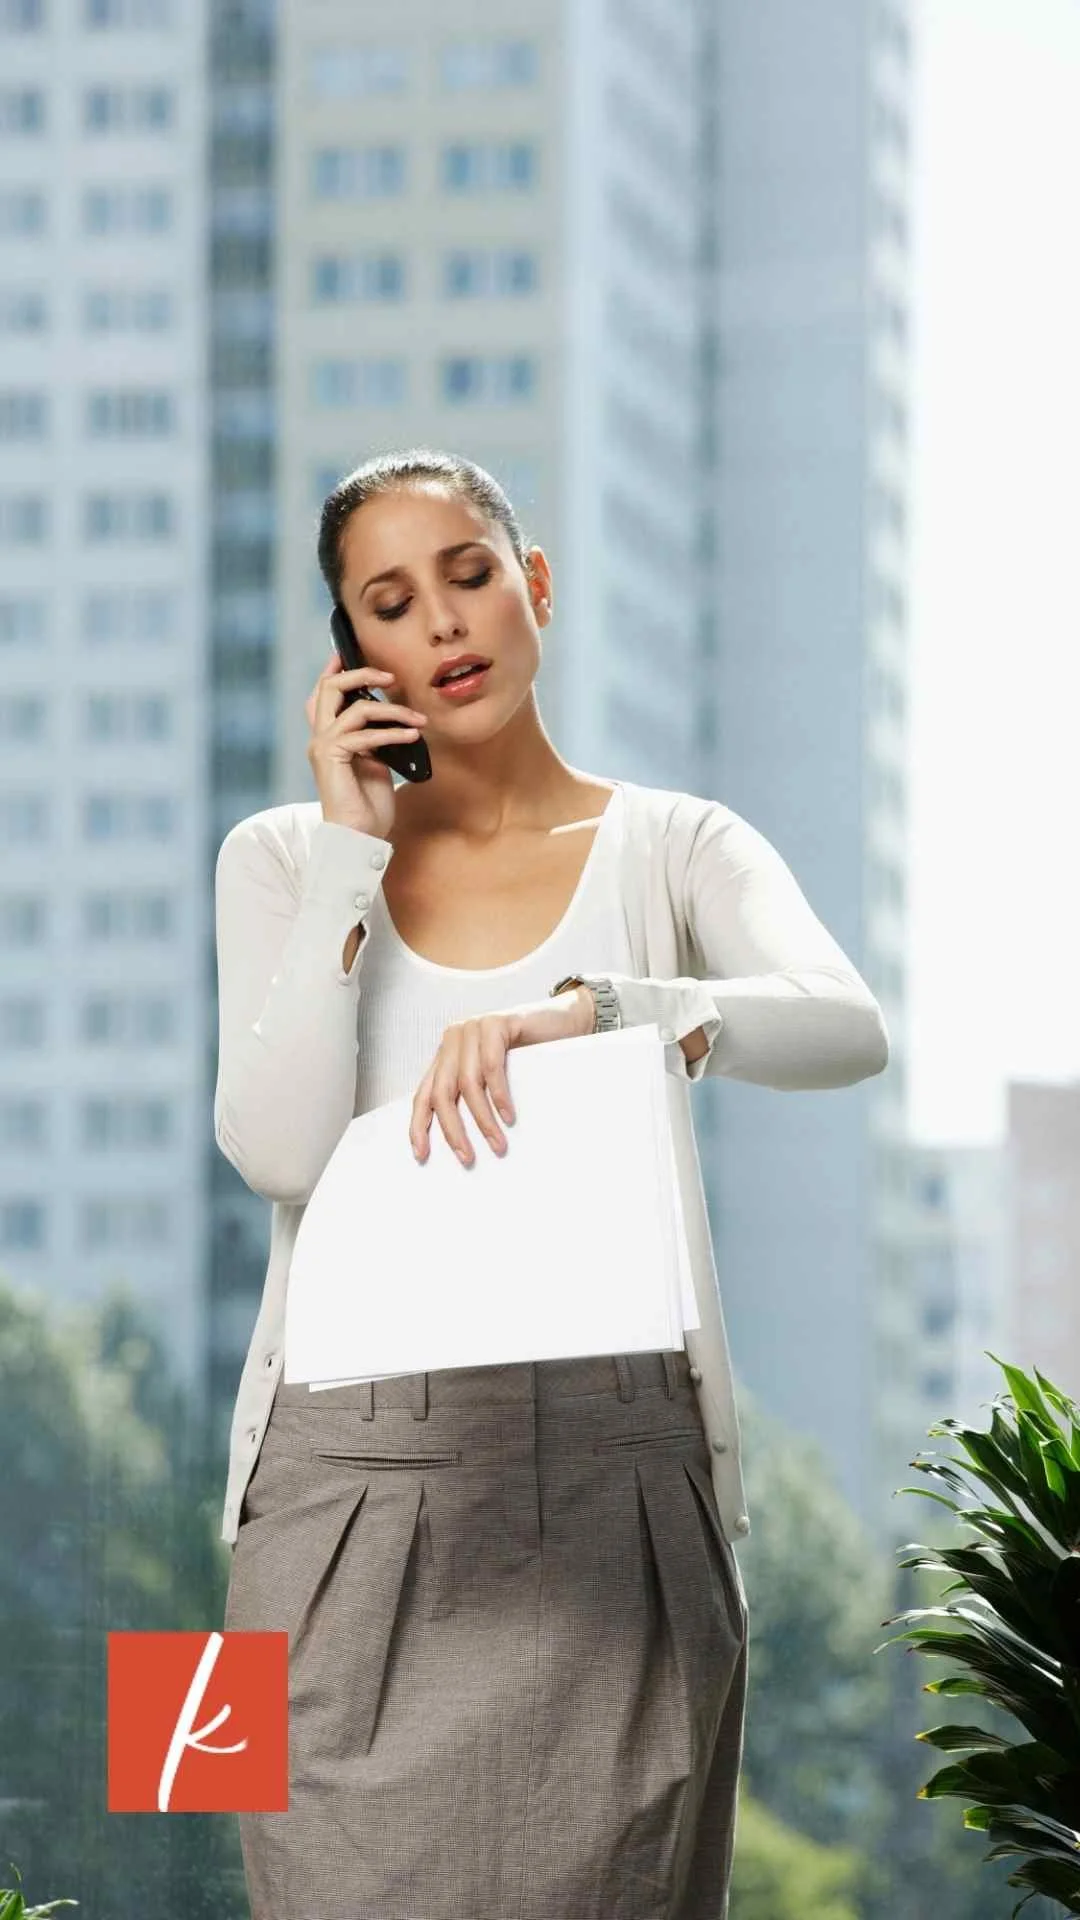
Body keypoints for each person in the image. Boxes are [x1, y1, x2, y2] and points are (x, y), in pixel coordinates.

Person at [216, 448, 889, 1918]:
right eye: (390, 604)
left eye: (468, 575)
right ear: (353, 659)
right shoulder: (279, 859)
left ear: (536, 584)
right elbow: (271, 1150)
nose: (445, 626)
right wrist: (350, 855)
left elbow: (852, 1031)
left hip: (621, 1472)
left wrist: (606, 1013)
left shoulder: (674, 842)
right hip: (334, 1487)